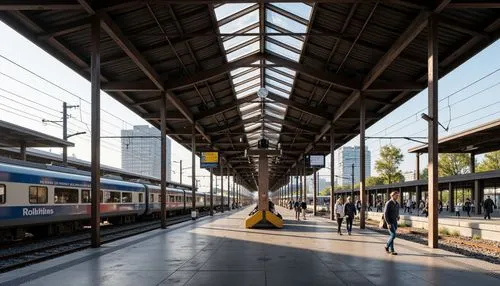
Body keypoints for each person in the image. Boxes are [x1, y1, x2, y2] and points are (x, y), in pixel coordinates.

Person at [384, 191, 400, 255]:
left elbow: (397, 212)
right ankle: (386, 246)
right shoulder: (388, 203)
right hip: (390, 222)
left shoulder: (397, 204)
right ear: (392, 196)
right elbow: (385, 213)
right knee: (393, 235)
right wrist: (388, 223)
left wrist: (398, 216)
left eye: (398, 195)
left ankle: (392, 250)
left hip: (395, 222)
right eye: (396, 195)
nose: (397, 196)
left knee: (392, 236)